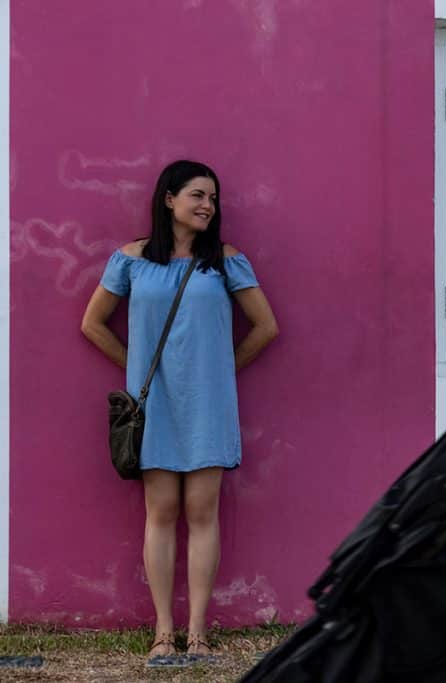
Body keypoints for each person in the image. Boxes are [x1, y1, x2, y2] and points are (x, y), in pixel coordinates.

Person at [81, 160, 279, 659]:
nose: (207, 206)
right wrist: (138, 370)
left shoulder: (226, 262)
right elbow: (93, 323)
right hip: (155, 407)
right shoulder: (130, 260)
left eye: (212, 198)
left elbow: (265, 327)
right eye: (197, 195)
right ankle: (163, 633)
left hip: (208, 404)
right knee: (161, 512)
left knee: (202, 512)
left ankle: (198, 633)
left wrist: (220, 370)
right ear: (169, 199)